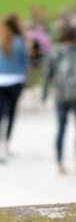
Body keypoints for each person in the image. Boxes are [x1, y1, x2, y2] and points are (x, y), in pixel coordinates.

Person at [42, 25, 76, 176]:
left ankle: (59, 164)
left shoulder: (54, 52)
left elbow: (47, 75)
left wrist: (44, 94)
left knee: (61, 129)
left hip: (62, 94)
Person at [0, 14, 27, 162]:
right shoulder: (19, 42)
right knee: (11, 114)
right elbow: (24, 62)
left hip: (1, 81)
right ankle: (6, 144)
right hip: (15, 81)